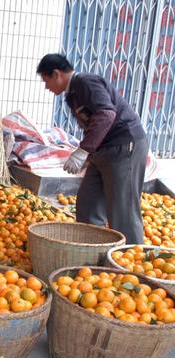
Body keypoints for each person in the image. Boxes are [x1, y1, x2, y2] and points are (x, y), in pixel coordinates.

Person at [37, 54, 148, 244]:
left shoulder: (86, 83)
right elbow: (93, 124)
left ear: (56, 74)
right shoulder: (72, 95)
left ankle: (132, 259)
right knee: (88, 204)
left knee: (123, 209)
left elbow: (106, 114)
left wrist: (83, 150)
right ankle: (93, 253)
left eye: (46, 81)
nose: (47, 88)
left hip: (123, 146)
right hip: (103, 152)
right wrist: (88, 154)